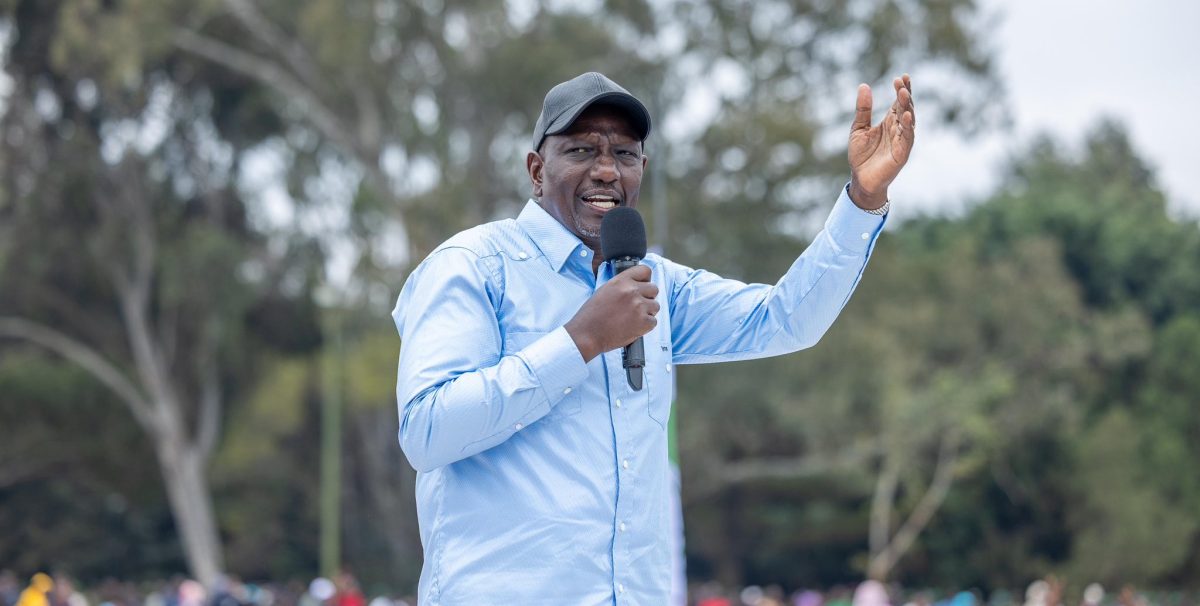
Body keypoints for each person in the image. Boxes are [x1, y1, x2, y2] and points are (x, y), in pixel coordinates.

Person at [392, 70, 915, 603]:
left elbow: (784, 319)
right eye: (580, 150)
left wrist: (863, 198)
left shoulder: (655, 283)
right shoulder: (473, 266)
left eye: (624, 154)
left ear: (642, 169)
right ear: (535, 170)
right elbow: (426, 430)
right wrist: (581, 339)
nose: (605, 170)